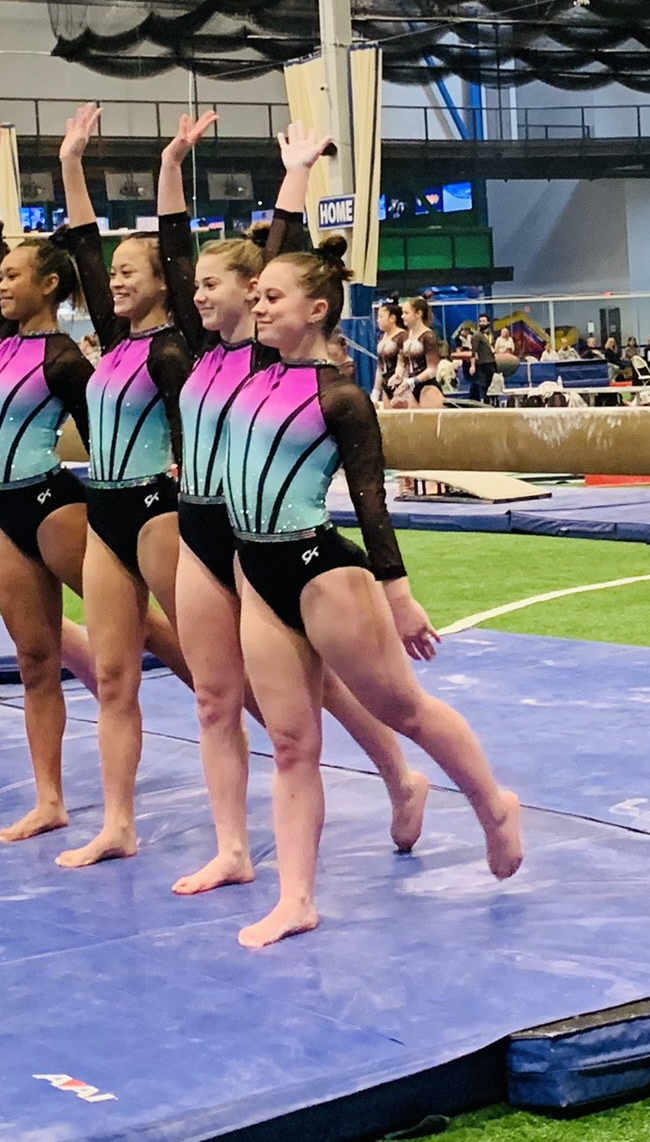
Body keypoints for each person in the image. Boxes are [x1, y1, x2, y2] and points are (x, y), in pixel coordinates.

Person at [227, 237, 523, 947]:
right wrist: (292, 182)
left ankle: (492, 803)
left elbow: (370, 503)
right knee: (293, 744)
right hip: (256, 570)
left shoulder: (343, 398)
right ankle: (296, 897)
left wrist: (399, 594)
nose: (256, 305)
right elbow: (277, 243)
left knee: (406, 710)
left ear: (318, 309)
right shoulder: (255, 371)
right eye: (257, 294)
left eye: (272, 297)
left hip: (322, 569)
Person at [168, 122, 429, 897]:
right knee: (215, 698)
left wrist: (296, 174)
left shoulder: (262, 357)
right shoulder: (200, 352)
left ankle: (400, 776)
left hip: (261, 536)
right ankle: (232, 848)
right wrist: (170, 165)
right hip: (200, 531)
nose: (204, 294)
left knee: (316, 694)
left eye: (234, 289)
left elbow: (281, 246)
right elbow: (177, 251)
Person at [0, 114, 126, 845]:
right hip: (1, 515)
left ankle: (230, 697)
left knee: (141, 630)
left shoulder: (62, 357)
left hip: (53, 505)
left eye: (11, 276)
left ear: (50, 286)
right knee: (35, 658)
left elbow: (106, 434)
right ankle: (51, 798)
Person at [51, 102, 203, 868]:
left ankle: (290, 779)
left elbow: (177, 250)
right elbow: (81, 249)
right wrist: (71, 164)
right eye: (112, 276)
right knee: (113, 675)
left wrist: (171, 168)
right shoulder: (114, 342)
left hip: (156, 510)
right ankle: (117, 822)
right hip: (105, 509)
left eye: (128, 273)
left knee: (214, 674)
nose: (112, 281)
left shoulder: (176, 348)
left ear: (163, 285)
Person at [388, 298, 445, 408]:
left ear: (418, 313)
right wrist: (397, 375)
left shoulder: (428, 337)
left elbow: (432, 370)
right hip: (411, 389)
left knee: (429, 424)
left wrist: (412, 381)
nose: (402, 316)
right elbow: (401, 362)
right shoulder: (404, 337)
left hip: (428, 388)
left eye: (406, 313)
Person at [374, 301, 403, 399]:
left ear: (392, 318)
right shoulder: (383, 337)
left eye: (381, 317)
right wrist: (376, 391)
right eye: (377, 317)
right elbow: (380, 366)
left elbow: (405, 364)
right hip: (386, 385)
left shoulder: (403, 336)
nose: (378, 320)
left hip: (401, 385)